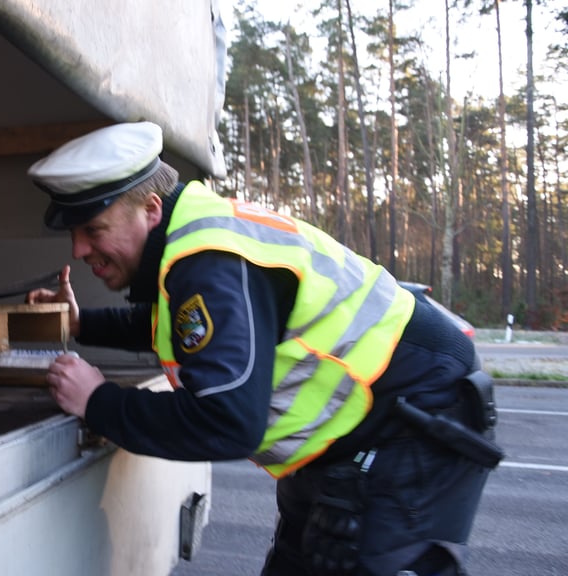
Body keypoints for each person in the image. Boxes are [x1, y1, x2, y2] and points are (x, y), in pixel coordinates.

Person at [25, 121, 500, 576]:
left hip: (414, 418)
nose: (78, 250)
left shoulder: (209, 264)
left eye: (93, 230)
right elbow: (181, 328)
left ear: (150, 210)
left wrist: (97, 402)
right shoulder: (190, 244)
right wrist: (81, 323)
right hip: (352, 436)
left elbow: (227, 423)